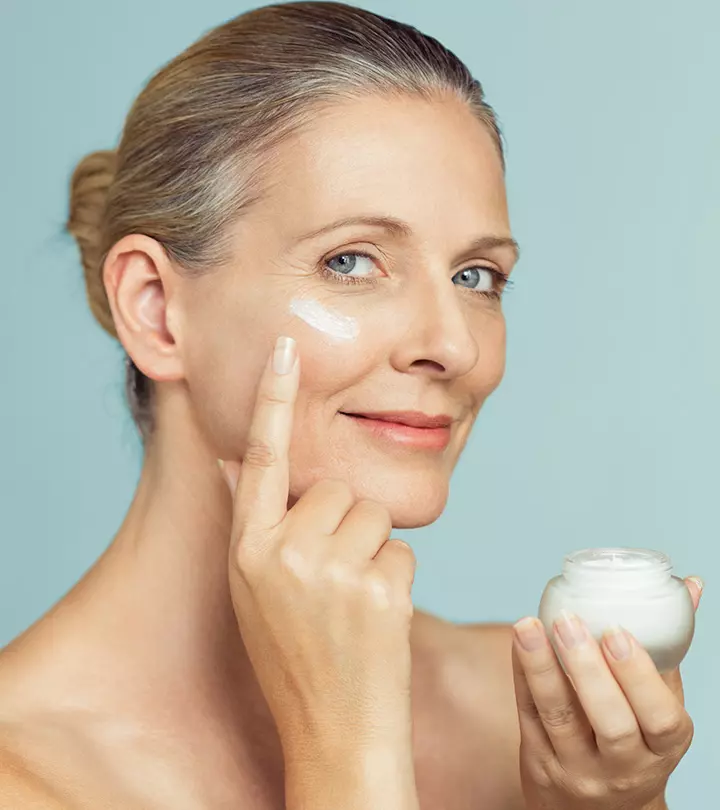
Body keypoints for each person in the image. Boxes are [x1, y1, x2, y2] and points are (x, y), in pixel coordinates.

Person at [0, 3, 703, 808]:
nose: (455, 346)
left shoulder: (525, 720)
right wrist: (345, 745)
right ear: (157, 307)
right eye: (352, 261)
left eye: (476, 277)